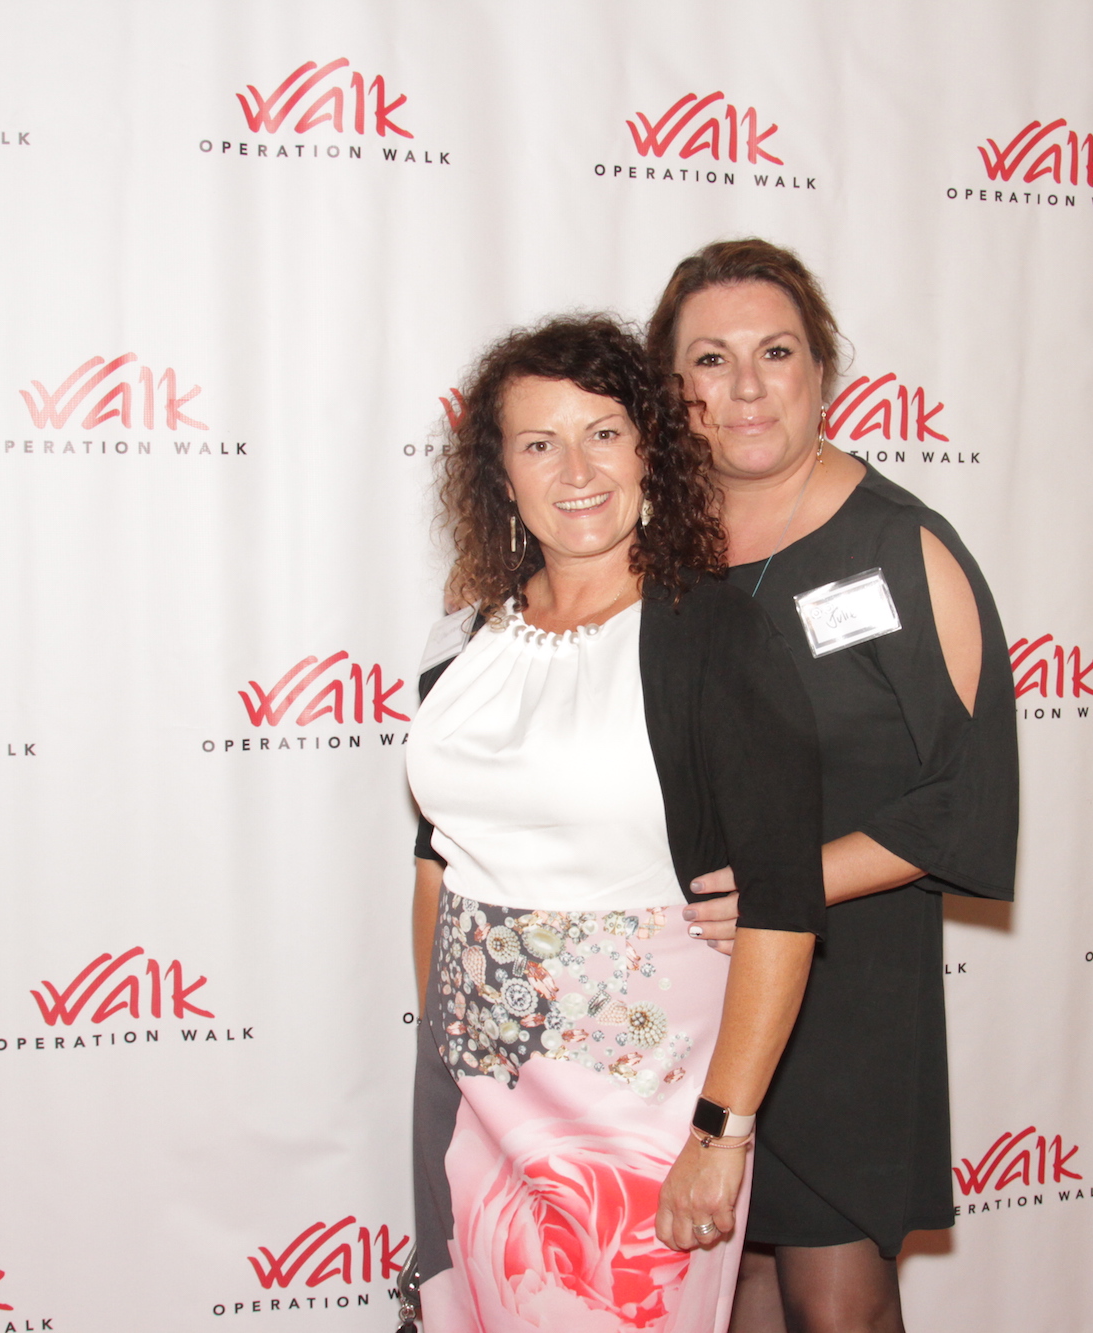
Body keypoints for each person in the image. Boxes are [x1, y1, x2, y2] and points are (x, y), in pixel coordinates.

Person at [404, 314, 827, 1333]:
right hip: (472, 1092)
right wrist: (446, 1052)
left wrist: (721, 1133)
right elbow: (437, 862)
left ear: (650, 451)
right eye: (538, 443)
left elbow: (782, 905)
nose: (576, 470)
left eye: (603, 433)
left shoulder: (715, 634)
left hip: (641, 1107)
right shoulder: (463, 640)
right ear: (501, 473)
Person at [647, 241, 1019, 1333]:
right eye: (710, 359)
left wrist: (787, 885)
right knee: (733, 1290)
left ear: (822, 370)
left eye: (775, 352)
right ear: (671, 390)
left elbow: (964, 797)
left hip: (844, 988)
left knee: (835, 1302)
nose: (746, 387)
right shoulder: (650, 550)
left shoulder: (901, 547)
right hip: (690, 991)